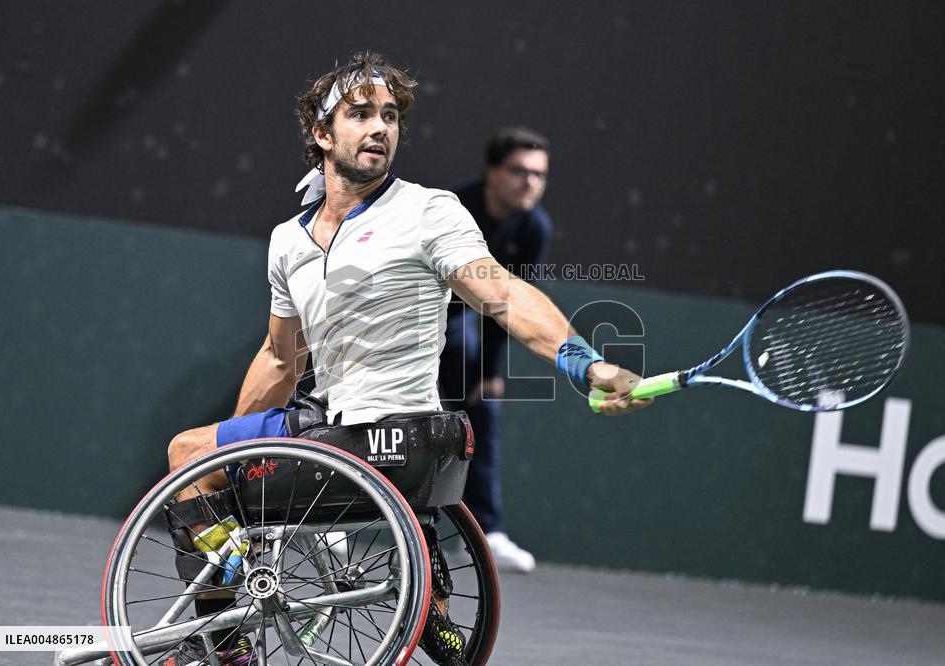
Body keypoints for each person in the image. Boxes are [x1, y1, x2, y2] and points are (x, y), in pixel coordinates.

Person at [164, 51, 651, 666]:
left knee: (187, 455)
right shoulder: (289, 240)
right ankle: (432, 616)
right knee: (204, 452)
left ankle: (226, 648)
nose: (380, 128)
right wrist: (239, 450)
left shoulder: (429, 211)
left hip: (386, 438)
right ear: (321, 133)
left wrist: (588, 365)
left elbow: (499, 292)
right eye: (360, 113)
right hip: (359, 441)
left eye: (390, 115)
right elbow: (280, 360)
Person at [439, 127, 552, 573]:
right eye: (519, 172)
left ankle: (486, 533)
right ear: (493, 173)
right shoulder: (453, 209)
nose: (530, 183)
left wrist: (489, 372)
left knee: (483, 408)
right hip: (406, 317)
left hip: (463, 330)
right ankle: (330, 515)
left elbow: (511, 301)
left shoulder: (534, 228)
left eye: (539, 175)